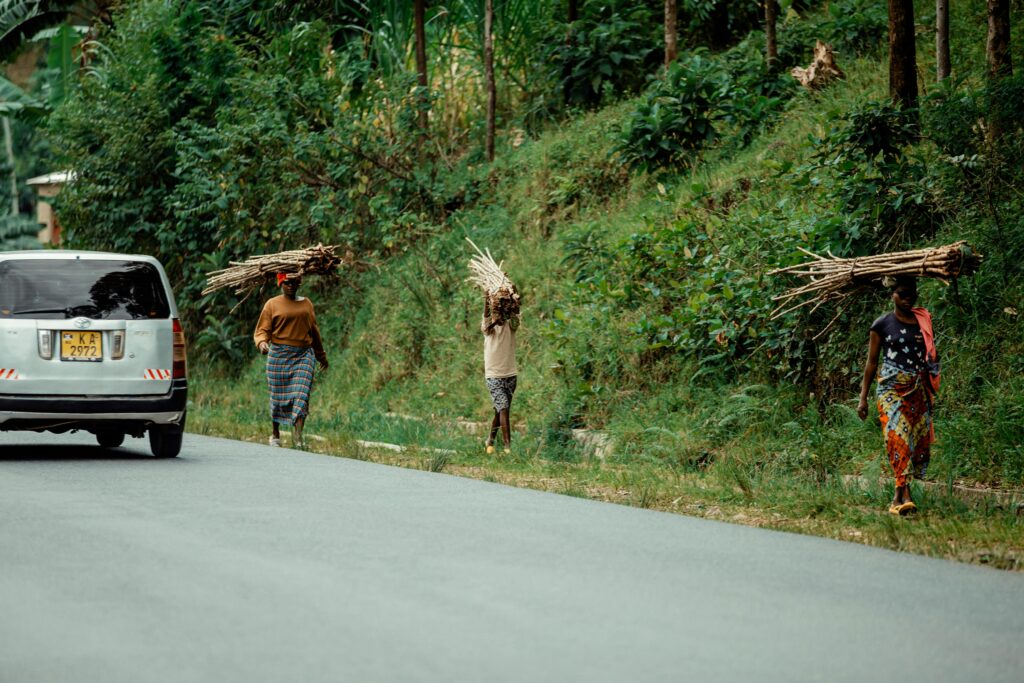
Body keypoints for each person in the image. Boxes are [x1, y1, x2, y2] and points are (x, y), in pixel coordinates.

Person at [857, 276, 940, 515]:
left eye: (911, 294)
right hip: (891, 390)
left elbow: (931, 355)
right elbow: (871, 363)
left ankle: (898, 497)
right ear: (892, 294)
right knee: (897, 437)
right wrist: (863, 398)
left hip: (917, 390)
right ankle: (905, 495)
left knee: (914, 443)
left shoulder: (922, 321)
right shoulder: (882, 324)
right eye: (902, 294)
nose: (907, 298)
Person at [254, 273, 328, 449]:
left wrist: (321, 355)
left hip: (303, 355)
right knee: (277, 397)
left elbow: (314, 331)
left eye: (294, 282)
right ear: (280, 283)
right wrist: (263, 343)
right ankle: (275, 434)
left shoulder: (306, 304)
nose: (291, 286)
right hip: (278, 355)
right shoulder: (272, 304)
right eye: (287, 282)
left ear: (299, 283)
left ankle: (298, 437)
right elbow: (262, 329)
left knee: (301, 395)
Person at [482, 289, 520, 454]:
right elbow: (486, 328)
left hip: (510, 373)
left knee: (500, 410)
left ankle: (490, 440)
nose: (504, 306)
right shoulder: (488, 323)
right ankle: (507, 447)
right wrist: (487, 299)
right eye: (501, 302)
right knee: (503, 408)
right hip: (494, 375)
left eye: (506, 303)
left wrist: (514, 296)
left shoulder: (512, 323)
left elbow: (516, 318)